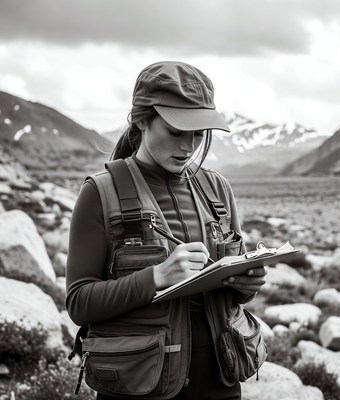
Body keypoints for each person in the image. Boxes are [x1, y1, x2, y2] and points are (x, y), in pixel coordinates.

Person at [66, 61, 267, 400]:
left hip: (221, 381)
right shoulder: (99, 193)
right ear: (142, 120)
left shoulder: (218, 189)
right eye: (176, 131)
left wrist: (248, 284)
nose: (188, 147)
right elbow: (79, 303)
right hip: (138, 384)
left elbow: (234, 295)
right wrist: (156, 276)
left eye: (199, 134)